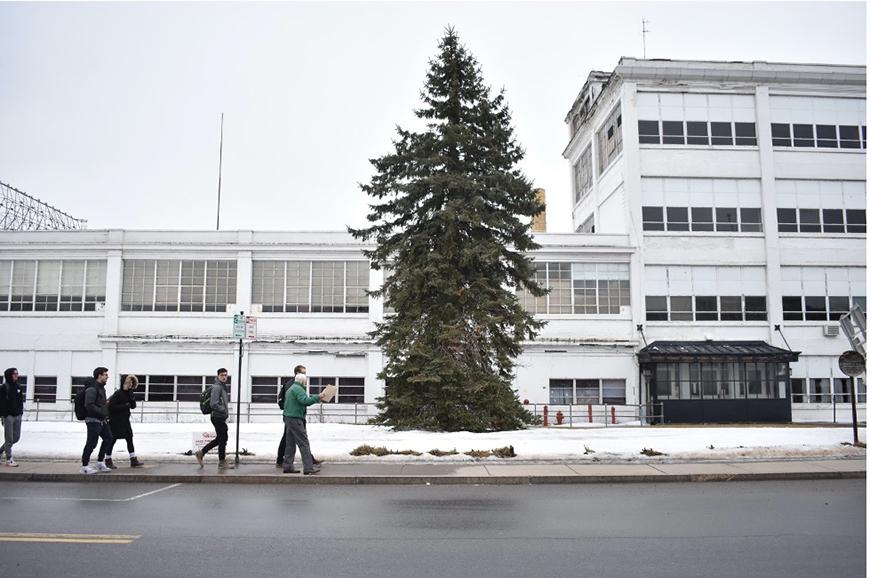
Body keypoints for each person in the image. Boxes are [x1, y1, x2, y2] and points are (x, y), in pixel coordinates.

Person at [277, 364, 323, 468]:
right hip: (296, 417)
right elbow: (304, 401)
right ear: (298, 374)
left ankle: (287, 465)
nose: (305, 376)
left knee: (290, 442)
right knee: (303, 442)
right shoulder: (296, 387)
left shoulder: (292, 386)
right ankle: (308, 466)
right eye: (303, 373)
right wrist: (317, 397)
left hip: (289, 416)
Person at [195, 368, 234, 469]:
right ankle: (221, 462)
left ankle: (202, 452)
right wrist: (224, 411)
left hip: (219, 416)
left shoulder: (222, 387)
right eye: (222, 375)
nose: (224, 377)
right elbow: (213, 404)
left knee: (221, 438)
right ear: (217, 376)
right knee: (222, 438)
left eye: (225, 375)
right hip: (217, 416)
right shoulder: (217, 387)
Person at [105, 375, 143, 469]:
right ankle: (107, 459)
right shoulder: (118, 393)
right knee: (112, 440)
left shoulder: (130, 393)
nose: (130, 384)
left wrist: (130, 393)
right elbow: (112, 406)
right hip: (115, 421)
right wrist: (125, 406)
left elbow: (133, 406)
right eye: (128, 382)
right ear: (123, 382)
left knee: (129, 438)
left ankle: (133, 459)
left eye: (131, 382)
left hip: (125, 421)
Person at [81, 367, 114, 475]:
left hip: (101, 420)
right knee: (91, 443)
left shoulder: (101, 388)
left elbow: (100, 403)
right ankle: (84, 466)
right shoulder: (92, 389)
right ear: (99, 375)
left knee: (109, 438)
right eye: (105, 374)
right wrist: (101, 412)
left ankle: (100, 462)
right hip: (93, 420)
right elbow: (89, 405)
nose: (107, 376)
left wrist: (106, 410)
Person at [0, 368, 25, 467]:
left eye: (17, 373)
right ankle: (9, 458)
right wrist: (4, 414)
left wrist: (20, 412)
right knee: (9, 438)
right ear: (9, 375)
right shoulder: (4, 388)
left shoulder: (18, 387)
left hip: (17, 415)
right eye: (14, 373)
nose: (16, 375)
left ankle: (1, 450)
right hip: (8, 416)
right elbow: (1, 402)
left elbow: (20, 401)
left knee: (16, 437)